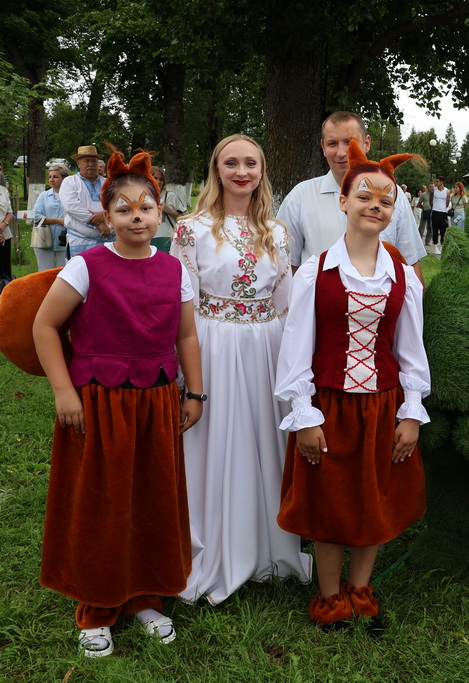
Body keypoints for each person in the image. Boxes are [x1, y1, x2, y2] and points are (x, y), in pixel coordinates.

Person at [32, 148, 204, 658]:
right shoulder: (85, 266)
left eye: (146, 208)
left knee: (152, 497)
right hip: (99, 404)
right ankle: (97, 603)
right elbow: (45, 326)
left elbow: (186, 336)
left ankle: (145, 595)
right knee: (101, 501)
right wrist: (64, 391)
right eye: (124, 209)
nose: (136, 217)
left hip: (155, 402)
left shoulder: (174, 269)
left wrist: (194, 392)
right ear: (106, 217)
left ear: (159, 211)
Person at [276, 140, 429, 630]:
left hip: (382, 405)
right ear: (343, 201)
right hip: (329, 406)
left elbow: (411, 349)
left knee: (373, 500)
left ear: (394, 211)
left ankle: (361, 589)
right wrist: (304, 414)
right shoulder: (314, 272)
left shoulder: (403, 276)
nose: (374, 206)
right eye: (364, 196)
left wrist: (411, 410)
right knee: (329, 503)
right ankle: (329, 597)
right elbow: (296, 347)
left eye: (385, 200)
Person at [172, 134, 312, 605]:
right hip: (212, 341)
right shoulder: (191, 229)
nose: (241, 172)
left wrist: (294, 364)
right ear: (217, 169)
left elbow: (286, 302)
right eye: (231, 163)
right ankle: (212, 544)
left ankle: (267, 544)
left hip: (265, 345)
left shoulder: (276, 231)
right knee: (216, 438)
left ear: (261, 170)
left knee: (264, 437)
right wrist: (186, 374)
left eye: (250, 163)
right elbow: (183, 302)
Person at [277, 111, 426, 282]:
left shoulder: (394, 196)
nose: (341, 152)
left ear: (366, 143)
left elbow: (410, 263)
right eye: (332, 143)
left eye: (349, 142)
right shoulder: (300, 197)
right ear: (323, 147)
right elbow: (286, 267)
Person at [59, 145, 110, 258]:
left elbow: (117, 205)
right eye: (86, 161)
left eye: (94, 161)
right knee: (81, 268)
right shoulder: (70, 182)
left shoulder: (108, 183)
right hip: (80, 241)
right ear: (78, 163)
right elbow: (72, 207)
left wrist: (105, 215)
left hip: (108, 241)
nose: (91, 164)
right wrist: (99, 223)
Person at [32, 164, 70, 270]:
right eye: (50, 177)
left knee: (65, 272)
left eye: (55, 177)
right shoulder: (44, 196)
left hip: (65, 241)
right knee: (44, 272)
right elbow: (35, 217)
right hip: (43, 240)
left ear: (64, 178)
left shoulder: (72, 196)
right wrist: (58, 221)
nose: (51, 180)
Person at [150, 166, 188, 253]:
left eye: (161, 179)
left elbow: (186, 217)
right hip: (149, 240)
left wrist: (170, 211)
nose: (158, 182)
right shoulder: (143, 197)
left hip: (168, 239)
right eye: (155, 178)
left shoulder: (171, 196)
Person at [429, 175, 451, 253]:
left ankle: (441, 246)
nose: (436, 183)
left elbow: (447, 202)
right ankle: (435, 246)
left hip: (443, 213)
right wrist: (434, 207)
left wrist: (443, 208)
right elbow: (430, 200)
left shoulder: (447, 191)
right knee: (435, 230)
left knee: (443, 231)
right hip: (435, 212)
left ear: (442, 182)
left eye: (437, 181)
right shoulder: (434, 190)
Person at [0, 182, 14, 287]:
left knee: (4, 271)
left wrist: (1, 227)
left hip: (5, 236)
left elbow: (10, 212)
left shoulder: (3, 190)